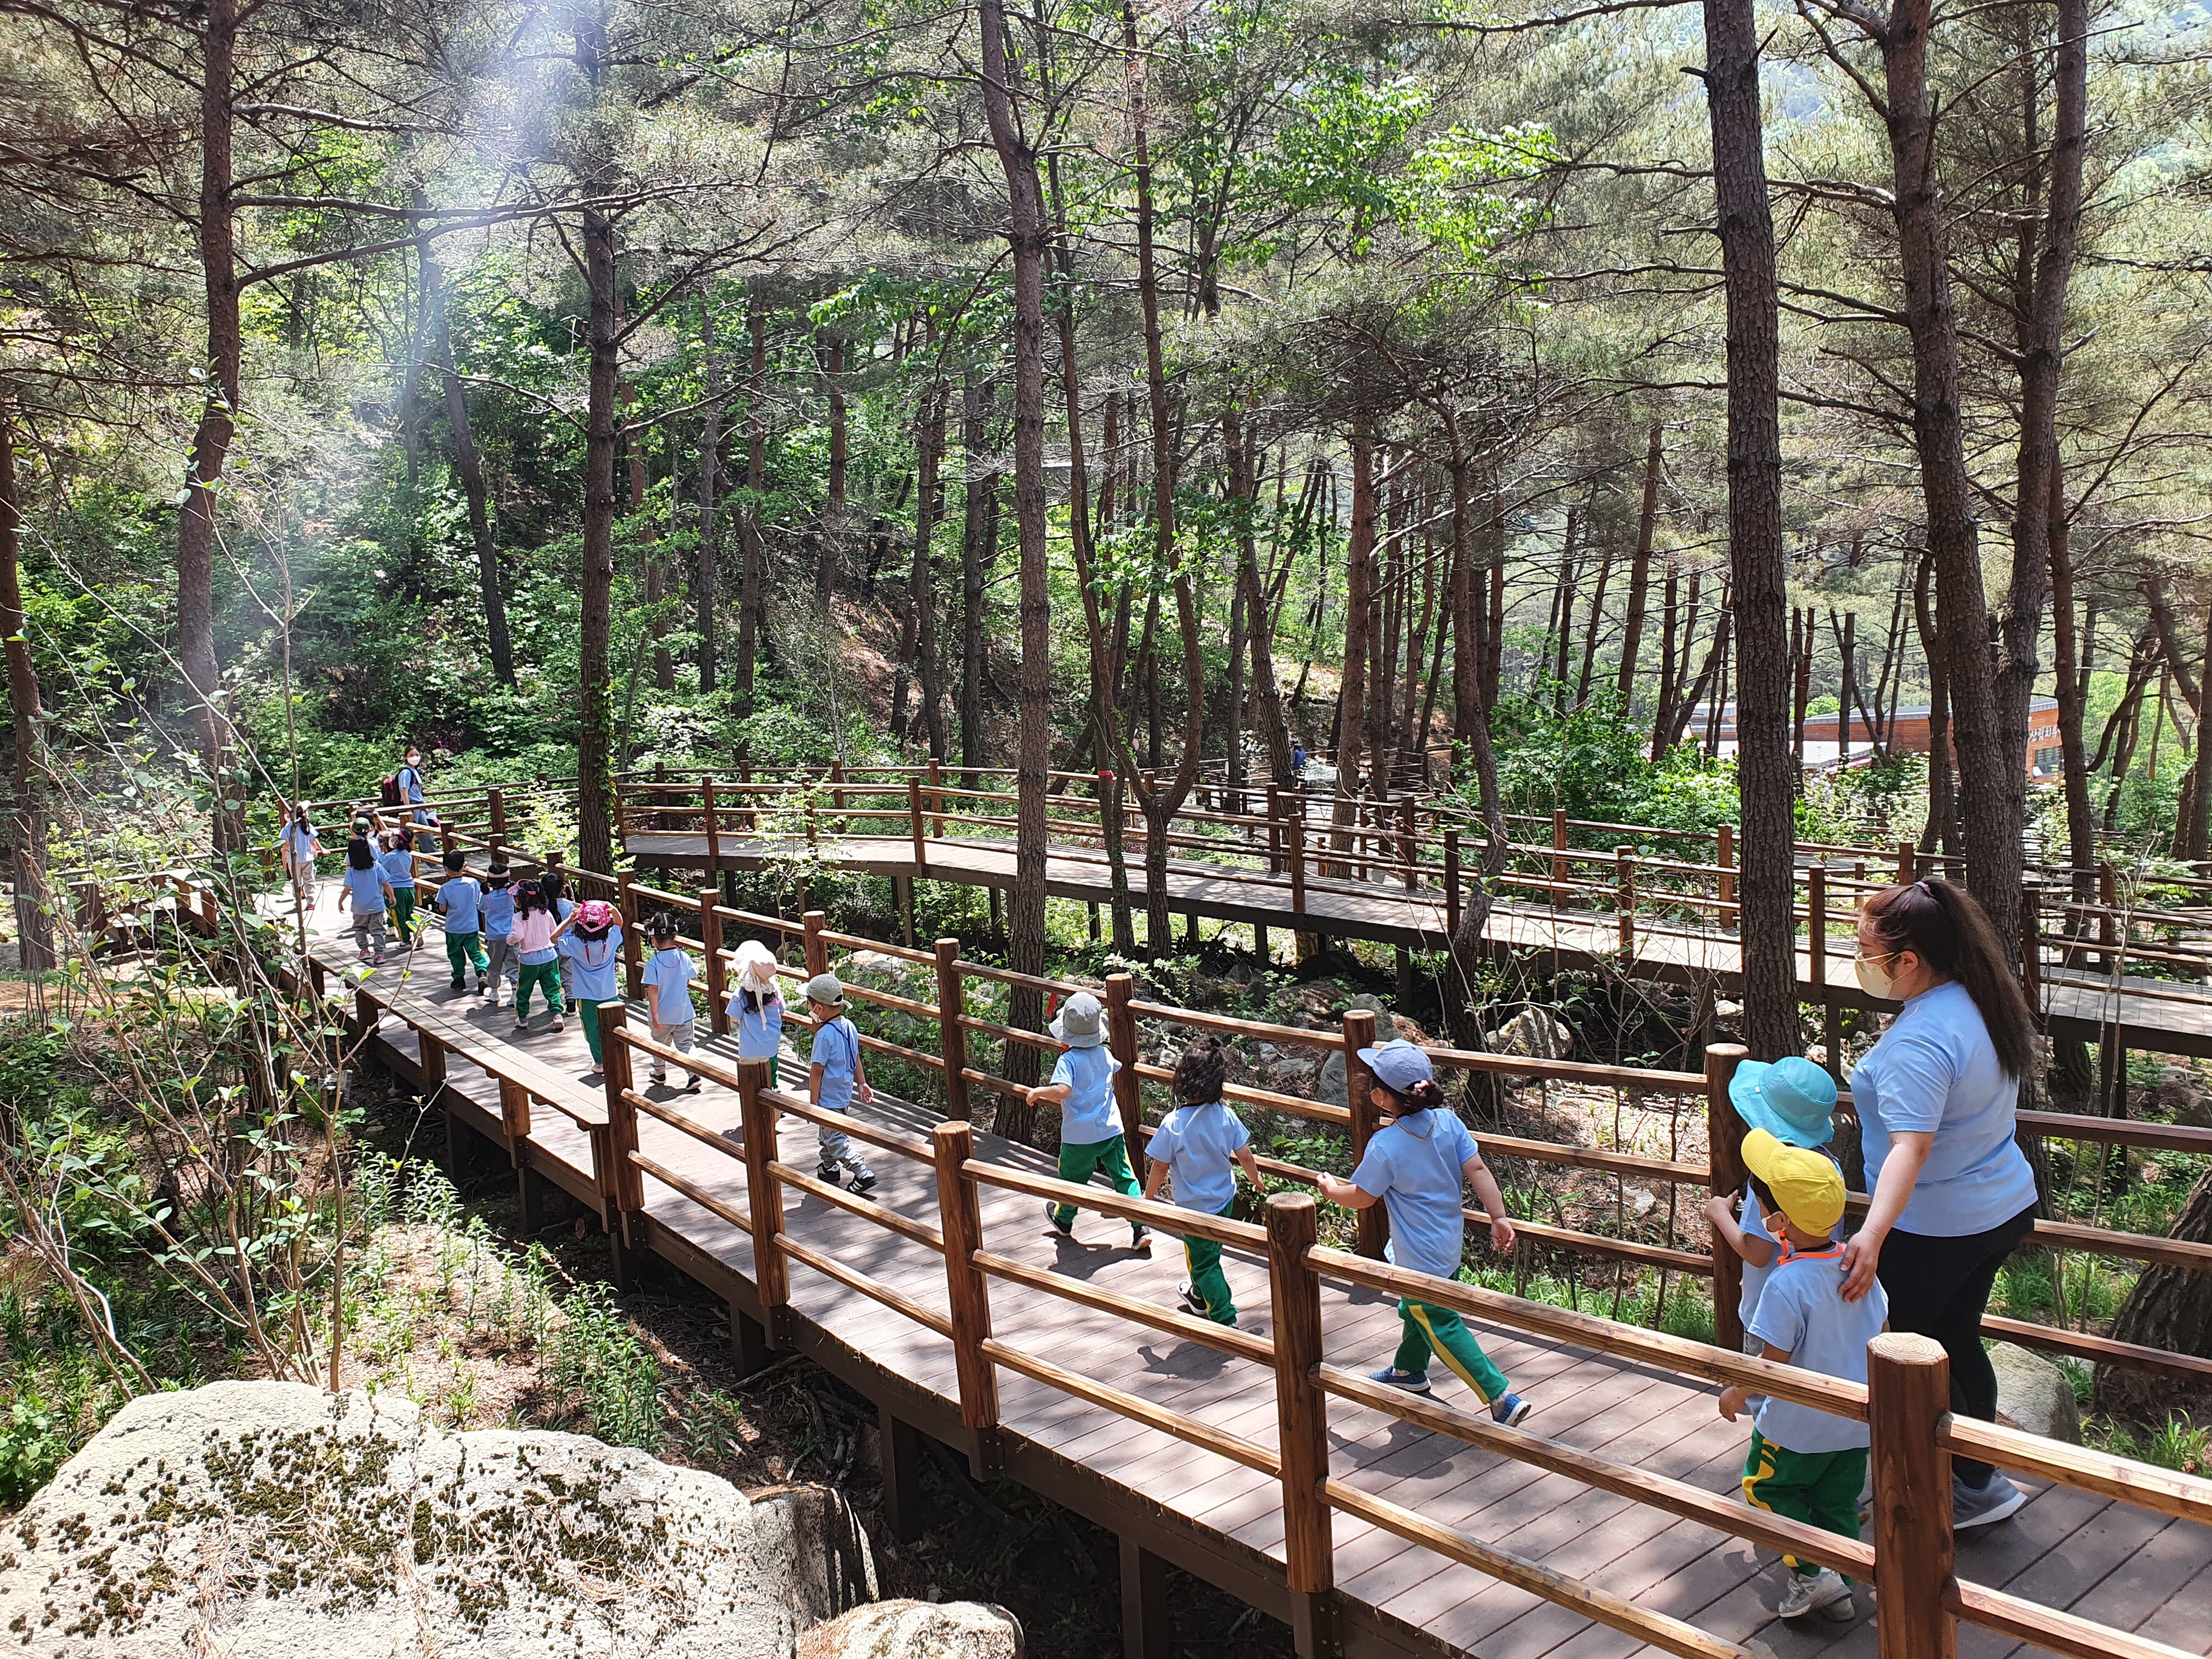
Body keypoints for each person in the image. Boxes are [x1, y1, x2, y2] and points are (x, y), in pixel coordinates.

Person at [1838, 877, 2041, 1530]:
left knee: (1902, 1355)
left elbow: (1910, 1149)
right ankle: (1977, 1479)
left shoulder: (1919, 1044)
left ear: (1909, 961)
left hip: (1936, 1226)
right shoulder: (1979, 1000)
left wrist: (1871, 1234)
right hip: (1998, 1207)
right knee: (1957, 1337)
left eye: (1867, 948)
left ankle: (1919, 1491)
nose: (1858, 957)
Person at [1718, 1130, 1889, 1624]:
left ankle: (1814, 1574)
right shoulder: (1863, 1269)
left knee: (1765, 1490)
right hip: (1855, 1423)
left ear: (1777, 1223)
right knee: (1838, 1502)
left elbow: (1772, 1364)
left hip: (1793, 1426)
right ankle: (1839, 1584)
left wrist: (1736, 1393)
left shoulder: (1785, 1283)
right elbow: (1885, 1338)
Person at [1317, 1039, 1529, 1424]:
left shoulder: (1386, 1144)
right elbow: (1478, 1170)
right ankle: (1408, 1372)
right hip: (1448, 1243)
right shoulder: (1448, 1122)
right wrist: (1499, 1217)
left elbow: (1362, 1197)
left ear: (1381, 1097)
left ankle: (1500, 1397)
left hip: (1417, 1255)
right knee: (1420, 1310)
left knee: (1440, 1321)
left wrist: (1332, 1190)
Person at [1704, 1055, 1841, 1347]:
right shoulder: (1829, 1170)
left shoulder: (1770, 1180)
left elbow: (1757, 1253)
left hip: (1770, 1315)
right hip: (1819, 1309)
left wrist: (1720, 1214)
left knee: (1761, 1388)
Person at [1141, 1037, 1266, 1324]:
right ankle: (1199, 1296)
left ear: (1182, 1080)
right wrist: (1255, 1180)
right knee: (1209, 1252)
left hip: (1194, 1209)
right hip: (1224, 1199)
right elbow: (1245, 1155)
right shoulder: (1226, 1116)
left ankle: (1225, 1316)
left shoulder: (1174, 1124)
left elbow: (1160, 1166)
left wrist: (1147, 1199)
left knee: (1204, 1263)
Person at [1026, 991, 1148, 1250]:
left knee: (1072, 1179)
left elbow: (1063, 1091)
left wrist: (1038, 1092)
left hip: (1078, 1136)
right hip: (1111, 1130)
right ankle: (1140, 1228)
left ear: (1065, 1036)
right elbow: (1114, 1067)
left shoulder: (1068, 1060)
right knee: (1126, 1178)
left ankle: (1064, 1220)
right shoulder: (1104, 1054)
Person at [804, 973, 876, 1195]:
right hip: (843, 1094)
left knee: (834, 1137)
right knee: (827, 1133)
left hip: (827, 1097)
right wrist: (862, 1083)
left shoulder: (824, 1035)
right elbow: (855, 1058)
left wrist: (813, 1103)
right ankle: (829, 1167)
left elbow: (816, 1072)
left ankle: (862, 1172)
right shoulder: (850, 1027)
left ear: (818, 1009)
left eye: (809, 1004)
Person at [561, 899, 625, 1079]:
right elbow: (620, 923)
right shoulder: (611, 940)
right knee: (614, 1028)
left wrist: (569, 921)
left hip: (585, 996)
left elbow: (553, 938)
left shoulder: (575, 944)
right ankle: (617, 1059)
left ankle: (600, 1062)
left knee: (591, 1029)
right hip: (609, 993)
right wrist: (612, 908)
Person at [642, 913, 701, 1091]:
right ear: (675, 935)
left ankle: (659, 1072)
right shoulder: (684, 958)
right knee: (686, 1044)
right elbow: (689, 979)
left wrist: (654, 1014)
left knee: (659, 1045)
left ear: (653, 939)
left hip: (662, 1015)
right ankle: (694, 1074)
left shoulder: (653, 963)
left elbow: (653, 990)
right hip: (683, 1012)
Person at [507, 877, 566, 1031]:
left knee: (524, 989)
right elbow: (554, 931)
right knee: (553, 987)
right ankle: (557, 1014)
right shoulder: (545, 913)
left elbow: (517, 936)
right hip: (549, 956)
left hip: (529, 960)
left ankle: (522, 1017)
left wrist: (510, 941)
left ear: (520, 900)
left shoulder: (518, 918)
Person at [730, 940, 786, 1086]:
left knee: (750, 1084)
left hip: (749, 1050)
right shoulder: (775, 991)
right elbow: (783, 1010)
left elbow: (734, 1018)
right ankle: (775, 1102)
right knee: (772, 1079)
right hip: (771, 1046)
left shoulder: (740, 994)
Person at [435, 849, 489, 996]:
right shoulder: (473, 883)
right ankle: (482, 972)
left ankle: (459, 978)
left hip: (453, 928)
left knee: (455, 954)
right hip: (471, 926)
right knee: (476, 952)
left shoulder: (445, 888)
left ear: (446, 869)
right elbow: (480, 898)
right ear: (464, 866)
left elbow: (442, 908)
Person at [337, 836, 393, 964]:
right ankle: (379, 954)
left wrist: (341, 901)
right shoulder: (376, 866)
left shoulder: (351, 871)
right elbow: (386, 883)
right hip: (377, 905)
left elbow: (347, 888)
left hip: (359, 907)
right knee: (378, 929)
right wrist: (392, 896)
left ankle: (364, 951)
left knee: (360, 928)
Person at [479, 862, 518, 1007]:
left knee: (494, 966)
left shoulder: (486, 898)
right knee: (513, 964)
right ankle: (515, 993)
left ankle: (495, 992)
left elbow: (481, 908)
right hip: (512, 936)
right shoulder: (512, 896)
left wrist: (485, 893)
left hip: (495, 938)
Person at [279, 804, 323, 910]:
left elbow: (286, 846)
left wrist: (284, 860)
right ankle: (311, 901)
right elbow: (312, 841)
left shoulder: (288, 828)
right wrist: (315, 850)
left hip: (293, 860)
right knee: (309, 880)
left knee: (296, 882)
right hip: (307, 858)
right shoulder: (307, 826)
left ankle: (297, 901)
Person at [380, 830, 419, 945]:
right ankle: (416, 931)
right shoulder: (408, 854)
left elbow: (382, 872)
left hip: (396, 890)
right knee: (409, 913)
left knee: (399, 916)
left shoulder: (390, 856)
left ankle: (405, 940)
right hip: (410, 888)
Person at [396, 746, 435, 826]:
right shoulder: (406, 772)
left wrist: (425, 807)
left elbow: (418, 792)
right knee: (412, 832)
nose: (415, 758)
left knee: (426, 833)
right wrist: (408, 809)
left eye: (417, 755)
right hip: (412, 806)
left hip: (419, 806)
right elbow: (404, 792)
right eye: (411, 755)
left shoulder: (415, 771)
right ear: (406, 757)